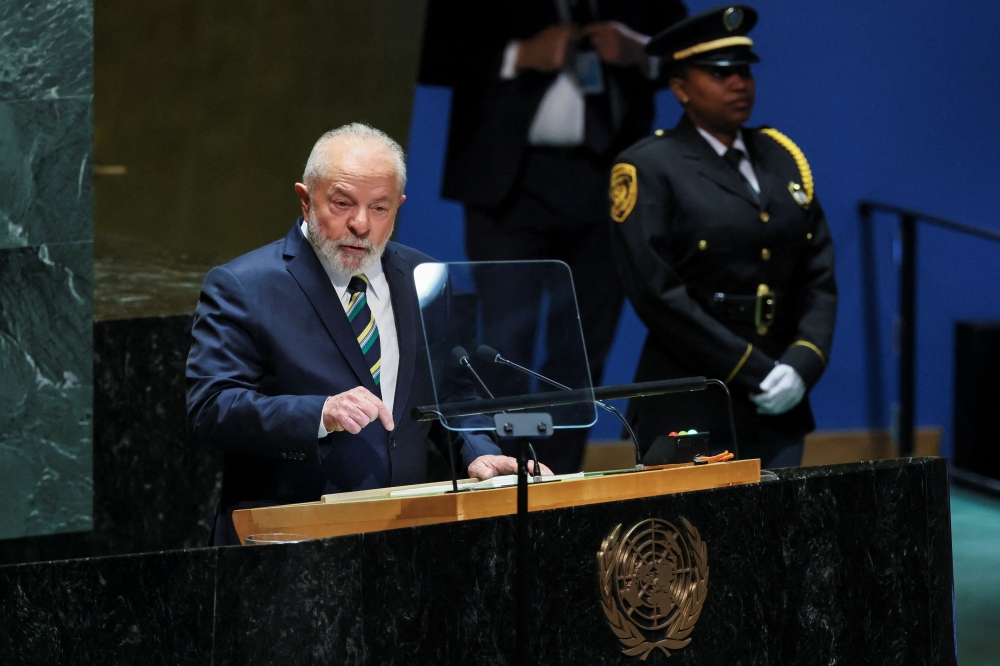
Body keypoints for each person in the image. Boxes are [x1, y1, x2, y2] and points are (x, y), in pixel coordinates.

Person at [186, 124, 549, 545]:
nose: (361, 224)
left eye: (379, 208)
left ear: (399, 207)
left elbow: (451, 393)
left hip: (405, 537)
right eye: (342, 204)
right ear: (305, 200)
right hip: (288, 541)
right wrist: (320, 413)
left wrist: (479, 449)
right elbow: (210, 408)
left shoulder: (425, 278)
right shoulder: (245, 285)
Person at [419, 0, 688, 472]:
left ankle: (559, 482)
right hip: (508, 184)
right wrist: (519, 54)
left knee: (582, 352)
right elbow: (430, 53)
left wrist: (641, 51)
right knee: (503, 347)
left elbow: (688, 47)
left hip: (608, 180)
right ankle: (505, 474)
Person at [609, 5, 837, 468]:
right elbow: (656, 293)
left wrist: (802, 363)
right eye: (719, 73)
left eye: (744, 72)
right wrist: (752, 369)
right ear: (680, 88)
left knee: (780, 513)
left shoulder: (781, 157)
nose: (739, 84)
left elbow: (818, 276)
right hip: (691, 393)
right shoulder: (649, 166)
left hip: (779, 397)